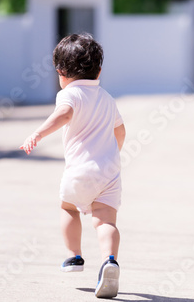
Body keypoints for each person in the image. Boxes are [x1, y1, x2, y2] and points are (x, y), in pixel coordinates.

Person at [20, 33, 125, 299]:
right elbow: (120, 131)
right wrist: (113, 154)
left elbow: (63, 115)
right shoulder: (107, 98)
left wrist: (38, 134)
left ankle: (74, 256)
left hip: (80, 171)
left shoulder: (69, 95)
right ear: (99, 70)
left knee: (68, 207)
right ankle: (110, 260)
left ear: (60, 72)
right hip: (109, 172)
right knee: (105, 222)